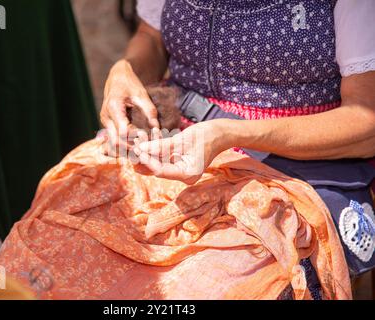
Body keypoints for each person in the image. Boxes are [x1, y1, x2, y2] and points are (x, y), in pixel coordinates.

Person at [100, 0, 375, 275]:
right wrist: (125, 70)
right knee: (80, 246)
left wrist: (228, 134)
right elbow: (152, 38)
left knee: (203, 280)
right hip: (173, 137)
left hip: (287, 165)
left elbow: (366, 126)